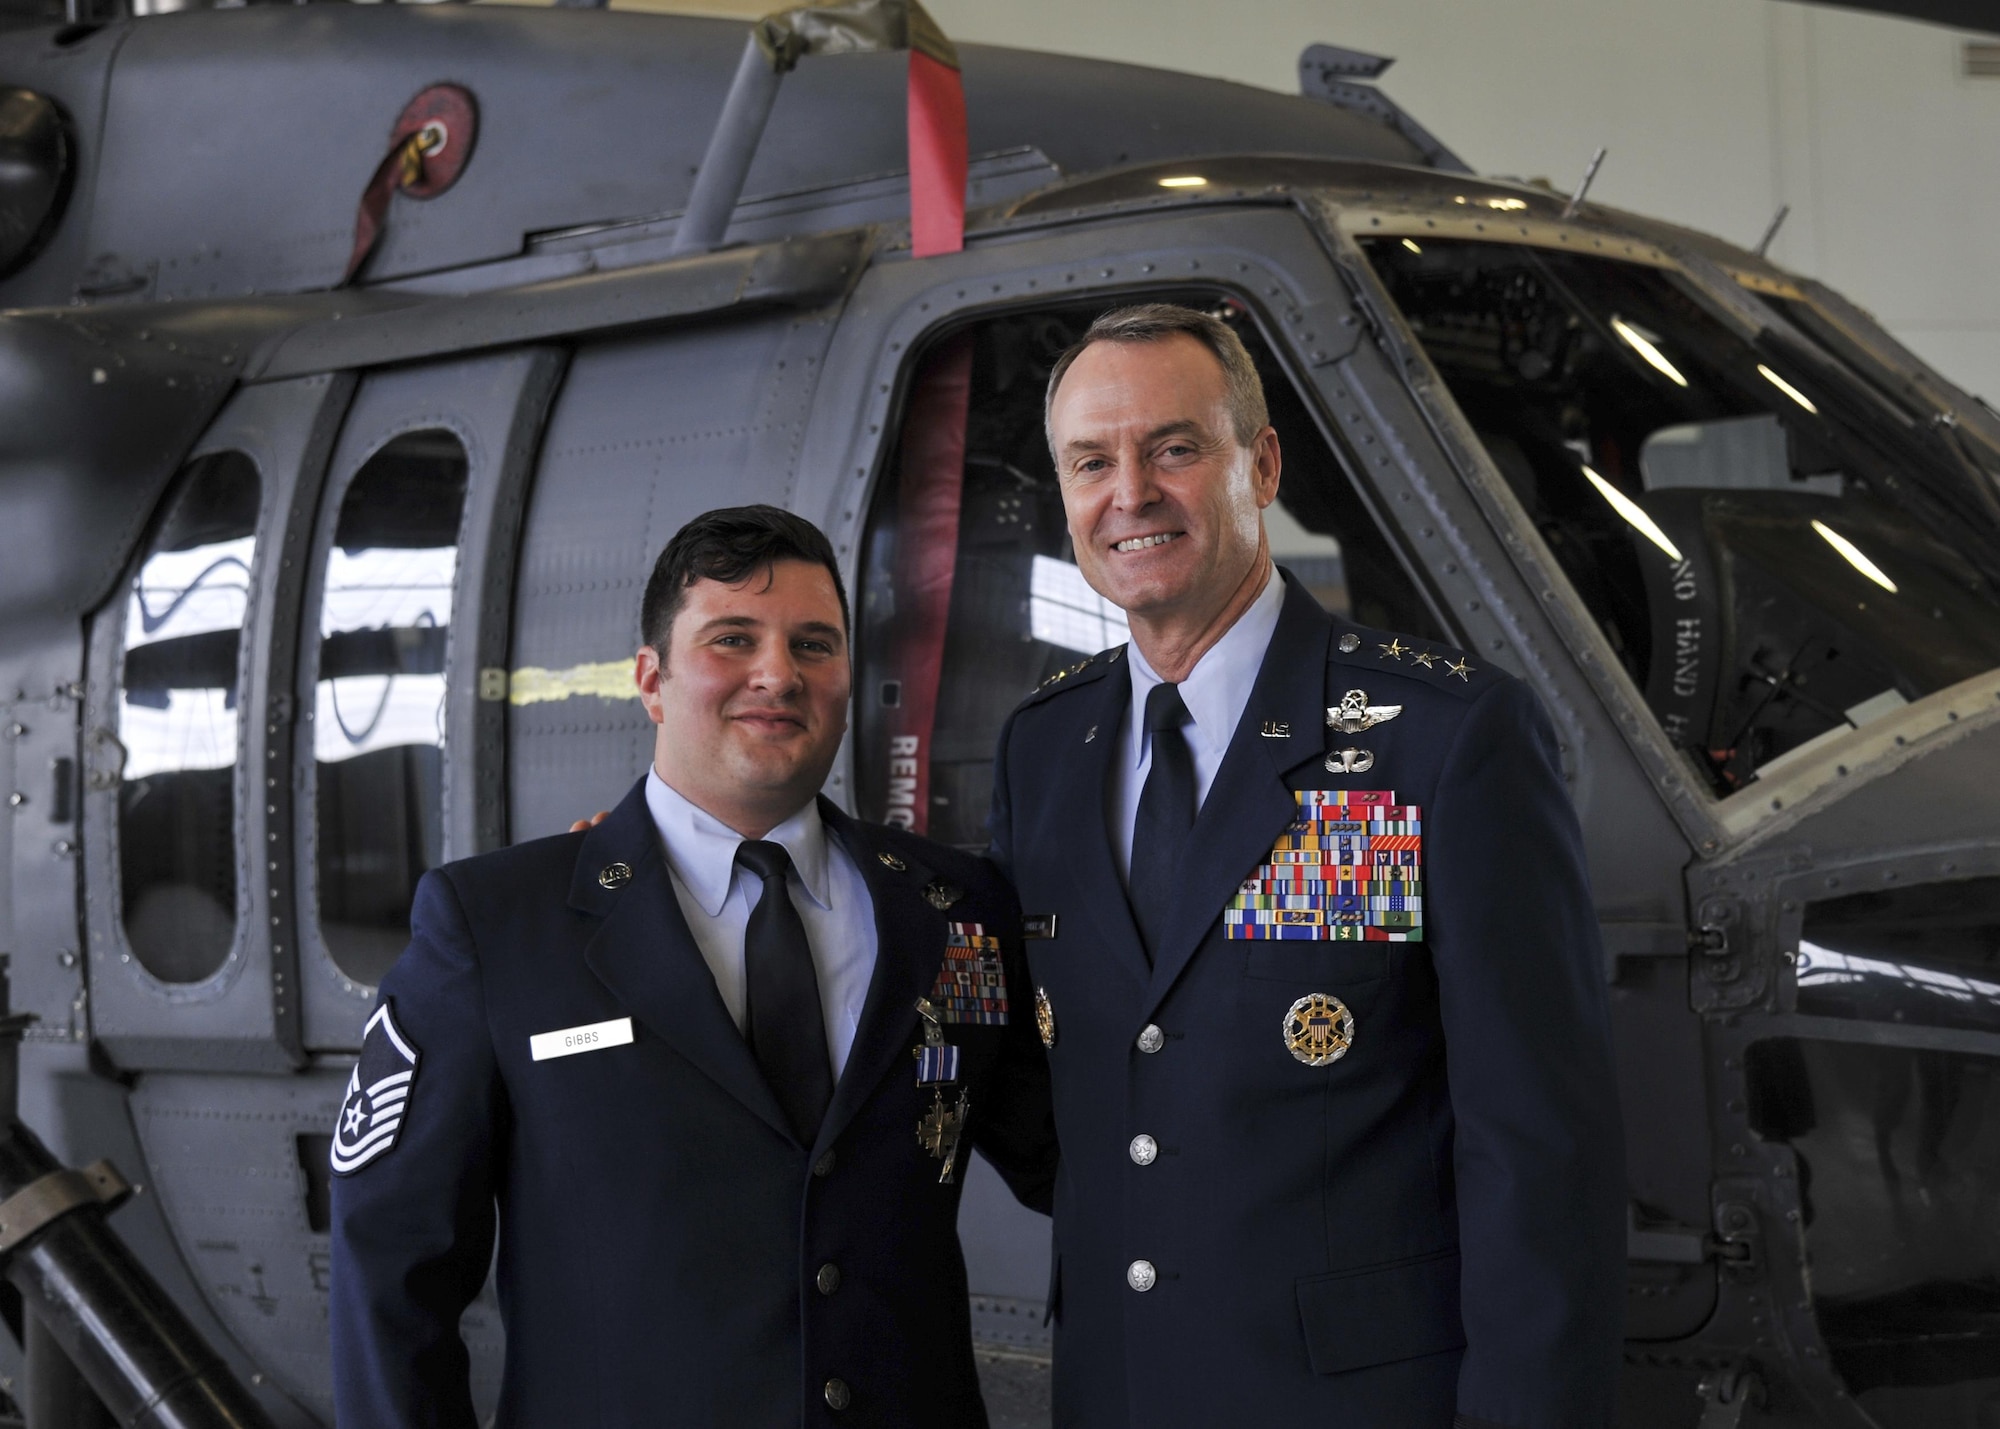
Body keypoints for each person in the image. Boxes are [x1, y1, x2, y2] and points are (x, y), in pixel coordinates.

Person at [989, 304, 1626, 1427]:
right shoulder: (1042, 748)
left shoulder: (1444, 737)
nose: (1128, 492)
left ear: (1261, 463)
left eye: (1173, 447)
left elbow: (1538, 1159)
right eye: (1091, 460)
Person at [329, 505, 1055, 1428]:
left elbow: (1077, 1159)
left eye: (814, 643)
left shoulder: (955, 912)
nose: (778, 674)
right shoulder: (499, 927)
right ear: (651, 680)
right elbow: (393, 1267)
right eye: (732, 638)